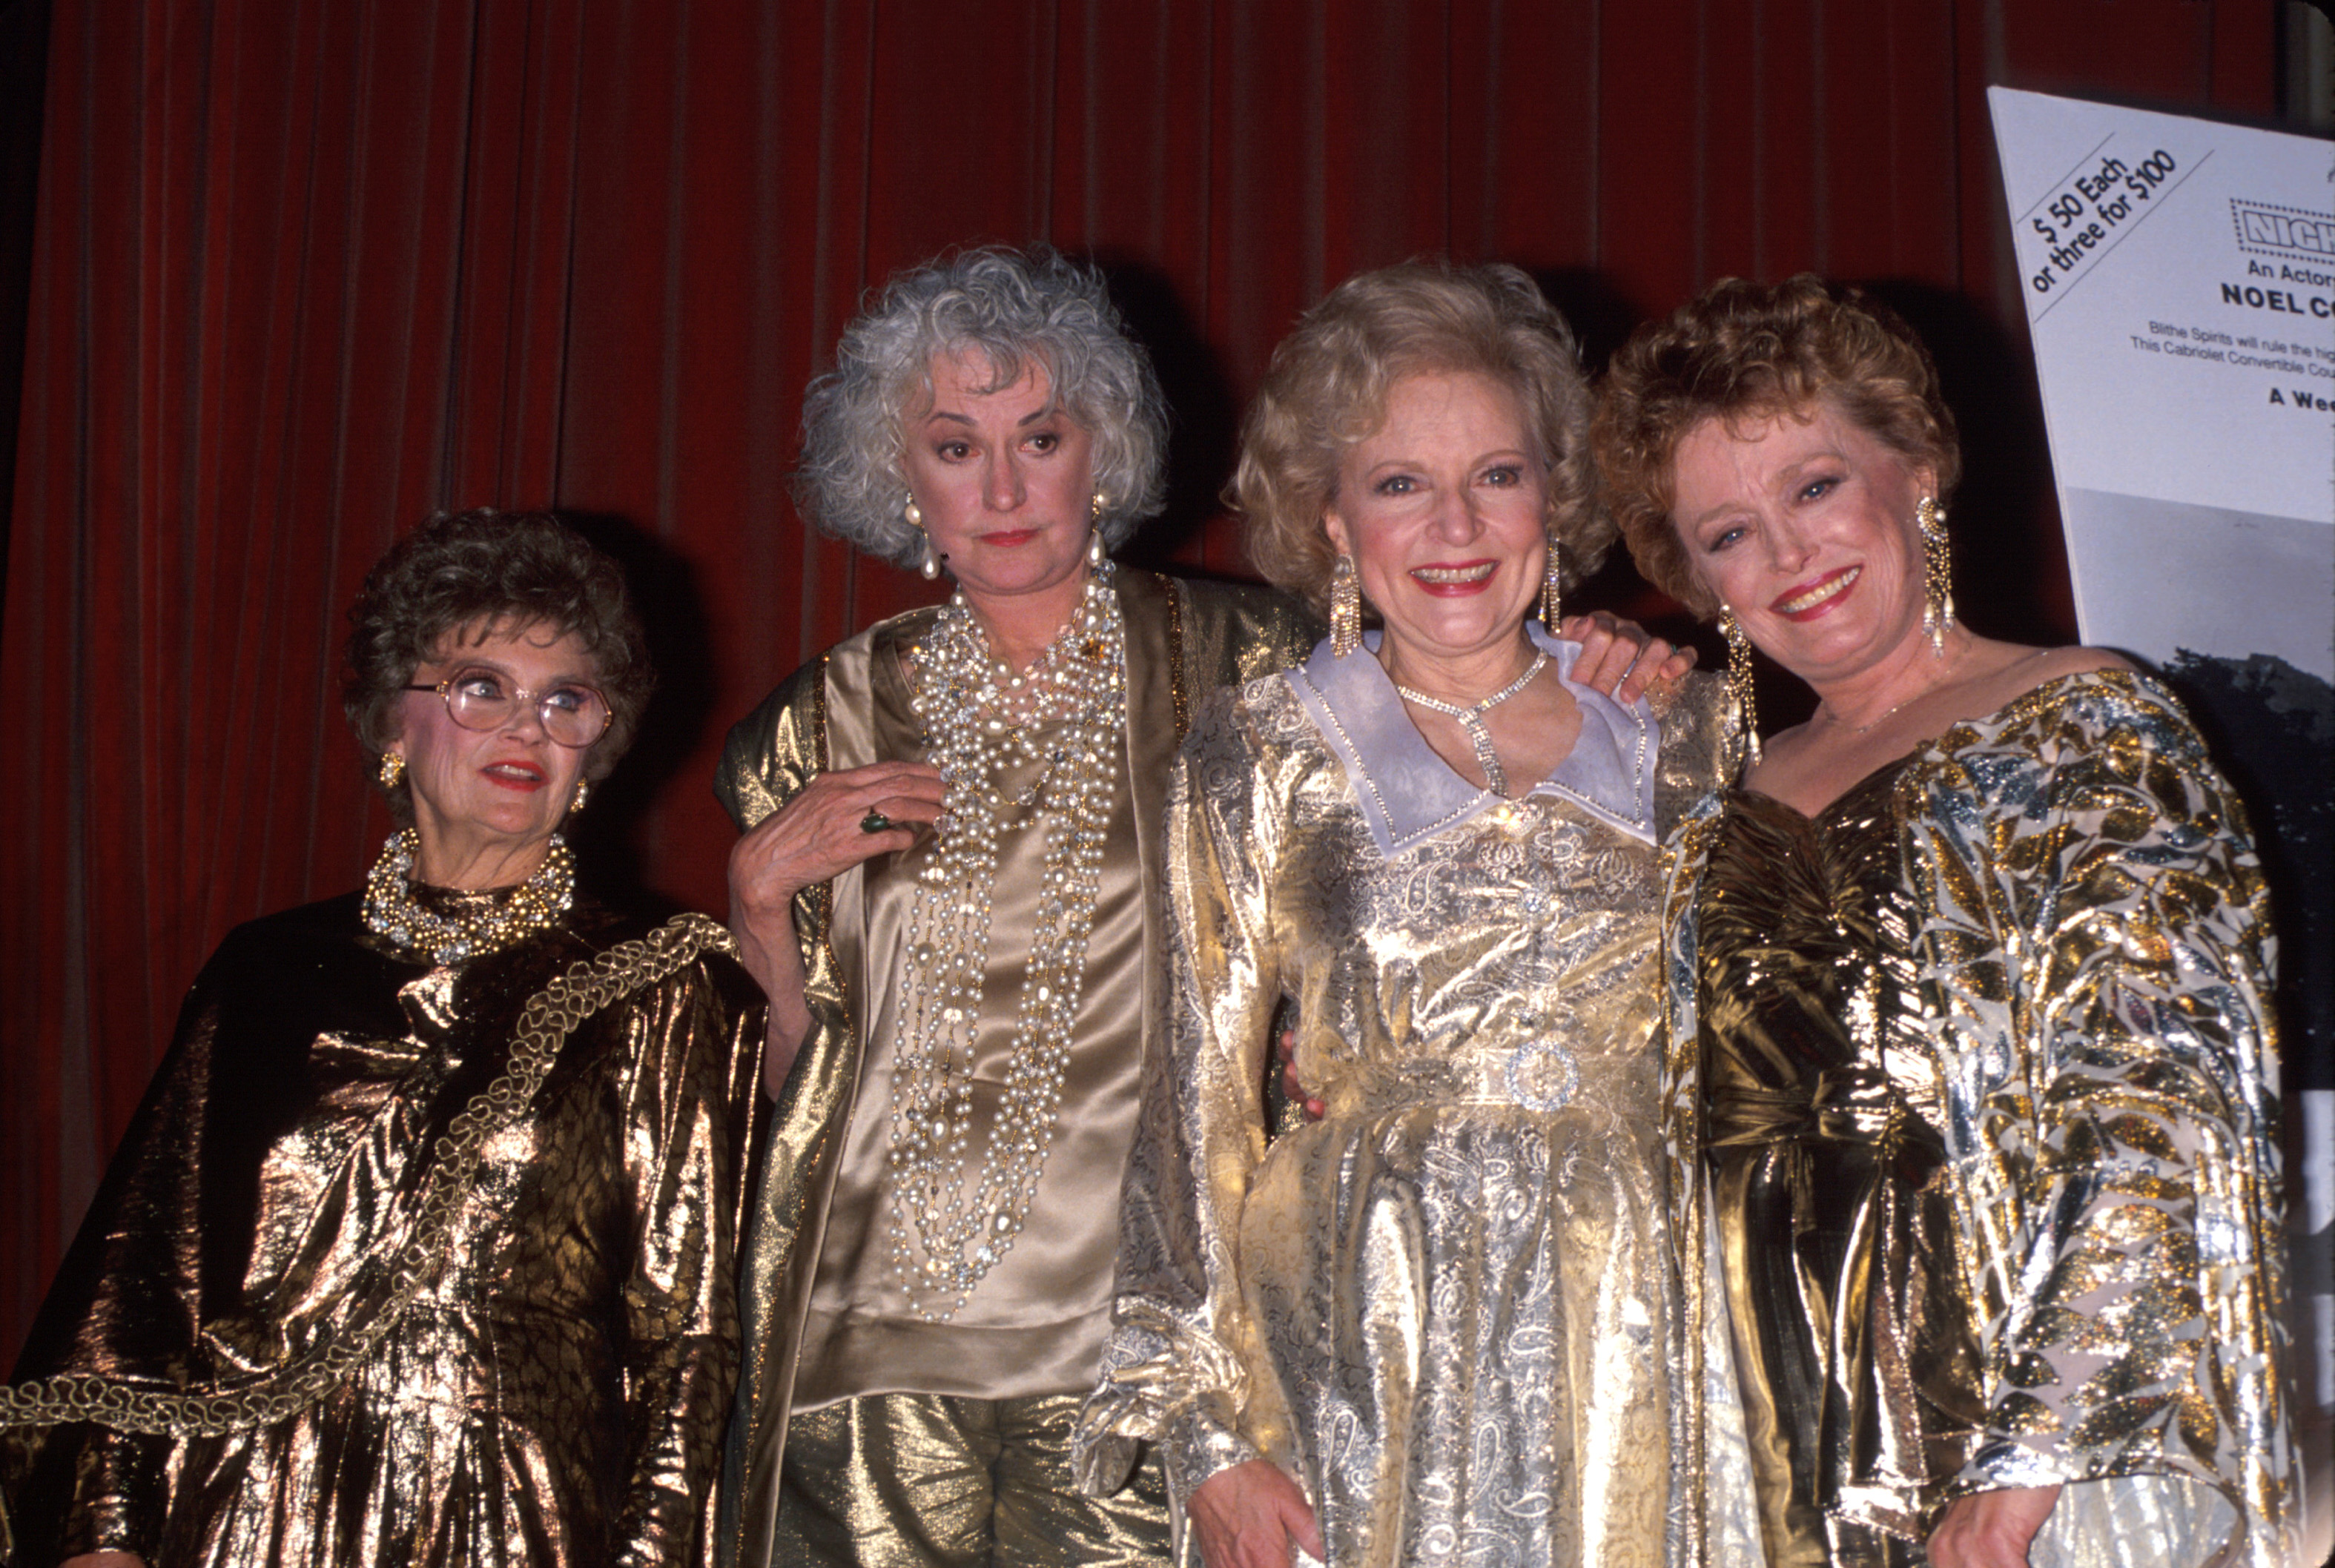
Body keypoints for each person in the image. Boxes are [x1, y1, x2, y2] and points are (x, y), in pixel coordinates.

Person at [713, 248, 1687, 1568]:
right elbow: (797, 1085)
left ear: (1102, 451)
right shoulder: (809, 727)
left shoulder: (1260, 667)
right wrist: (756, 910)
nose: (1001, 490)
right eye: (953, 447)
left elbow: (1478, 693)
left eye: (1040, 438)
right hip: (865, 1342)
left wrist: (1609, 650)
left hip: (1133, 1348)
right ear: (900, 475)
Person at [1593, 275, 2298, 1568]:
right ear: (1698, 582)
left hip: (2024, 1426)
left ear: (1915, 471)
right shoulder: (1712, 810)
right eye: (1730, 533)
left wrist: (2033, 1457)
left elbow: (2158, 1103)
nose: (1788, 555)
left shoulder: (2081, 722)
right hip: (1770, 1424)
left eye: (1814, 487)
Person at [1073, 261, 1745, 1568]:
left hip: (1653, 1332)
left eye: (1496, 474)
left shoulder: (1688, 730)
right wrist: (1205, 1431)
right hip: (1355, 1339)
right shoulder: (1259, 749)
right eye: (1397, 484)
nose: (1455, 524)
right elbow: (1184, 1099)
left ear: (1554, 491)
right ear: (1330, 519)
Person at [0, 509, 766, 1567]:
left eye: (566, 700)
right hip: (242, 1511)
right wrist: (106, 1535)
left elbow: (688, 1337)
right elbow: (142, 1286)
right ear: (392, 726)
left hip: (512, 1516)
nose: (527, 728)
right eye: (480, 687)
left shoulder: (663, 981)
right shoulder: (267, 972)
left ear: (596, 748)